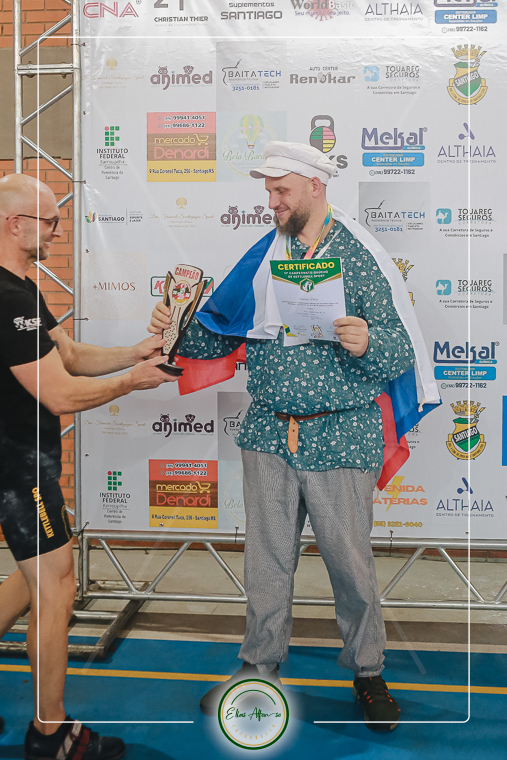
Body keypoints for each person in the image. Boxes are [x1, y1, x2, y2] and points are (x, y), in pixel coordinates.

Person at [149, 141, 439, 732]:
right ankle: (258, 666)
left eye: (281, 191)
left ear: (315, 186)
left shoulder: (360, 256)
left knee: (351, 566)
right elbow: (219, 334)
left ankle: (368, 672)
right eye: (268, 192)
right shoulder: (263, 255)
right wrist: (175, 323)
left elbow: (399, 350)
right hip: (269, 434)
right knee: (267, 563)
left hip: (342, 434)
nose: (272, 202)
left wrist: (368, 341)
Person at [0, 173, 175, 759]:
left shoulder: (22, 288)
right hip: (19, 469)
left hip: (23, 465)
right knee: (56, 585)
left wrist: (135, 352)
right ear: (14, 224)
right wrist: (132, 381)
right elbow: (59, 393)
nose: (56, 229)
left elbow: (69, 355)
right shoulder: (7, 300)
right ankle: (51, 734)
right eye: (48, 220)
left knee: (31, 581)